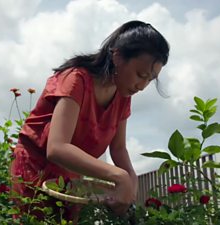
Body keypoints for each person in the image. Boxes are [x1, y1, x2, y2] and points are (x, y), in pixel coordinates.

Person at [10, 20, 170, 223]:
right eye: (141, 74)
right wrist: (118, 176)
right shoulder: (77, 80)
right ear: (117, 55)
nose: (142, 86)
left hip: (70, 177)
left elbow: (118, 149)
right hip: (35, 167)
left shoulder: (123, 96)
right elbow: (57, 148)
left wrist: (131, 178)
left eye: (150, 79)